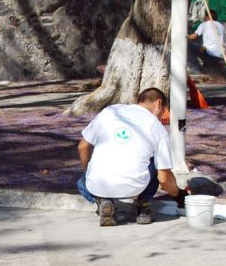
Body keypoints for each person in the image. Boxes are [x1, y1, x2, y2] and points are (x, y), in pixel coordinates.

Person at [76, 88, 185, 226]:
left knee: (82, 183)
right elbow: (163, 178)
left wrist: (89, 173)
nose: (162, 116)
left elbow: (82, 147)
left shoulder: (110, 111)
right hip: (134, 186)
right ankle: (144, 207)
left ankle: (103, 201)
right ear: (159, 103)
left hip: (97, 184)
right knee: (155, 162)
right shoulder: (155, 126)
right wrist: (179, 195)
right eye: (163, 111)